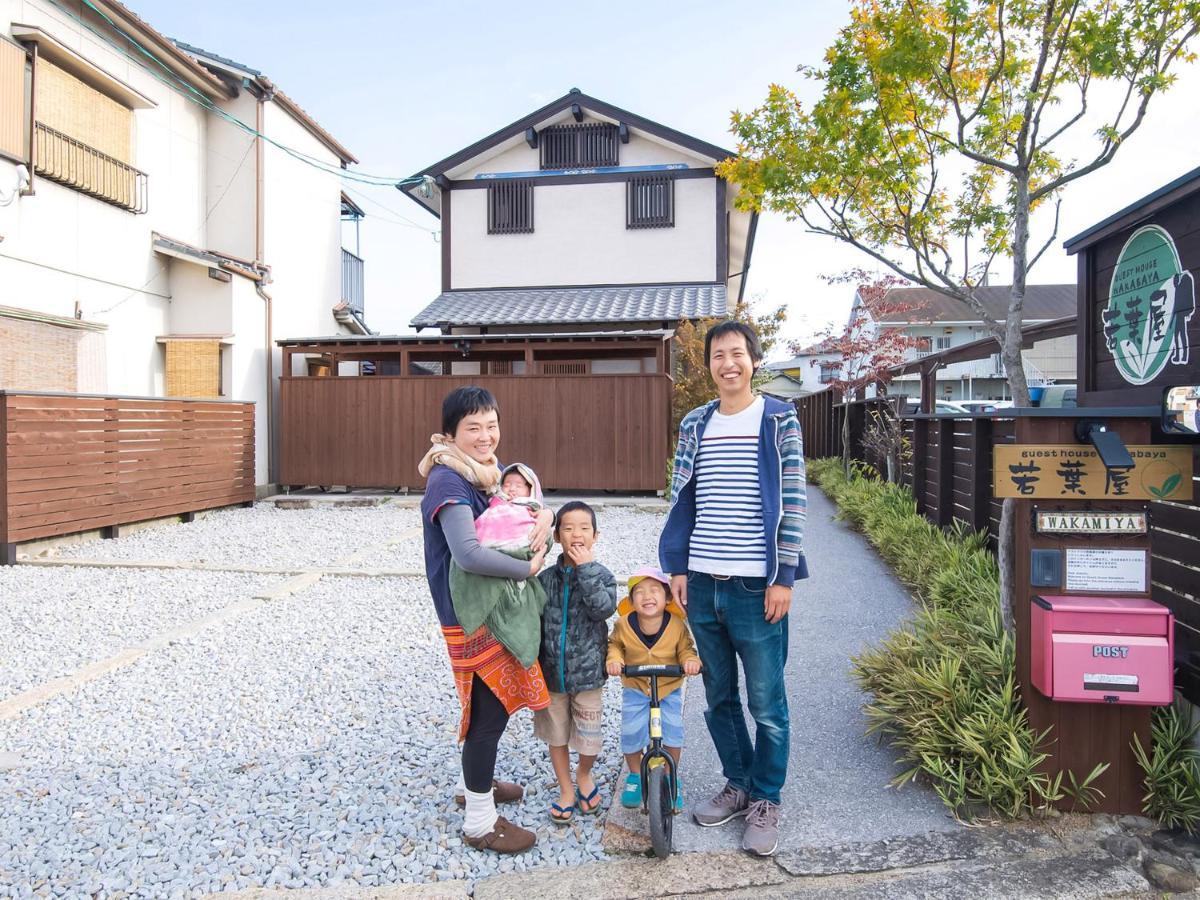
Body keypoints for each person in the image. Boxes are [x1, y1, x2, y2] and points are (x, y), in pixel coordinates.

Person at [658, 320, 808, 858]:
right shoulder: (695, 423)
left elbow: (793, 500)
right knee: (718, 697)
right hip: (702, 582)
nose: (728, 363)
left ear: (753, 361)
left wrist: (783, 576)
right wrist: (676, 565)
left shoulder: (778, 419)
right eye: (718, 355)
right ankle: (738, 783)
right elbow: (681, 499)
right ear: (709, 364)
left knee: (766, 702)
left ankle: (767, 797)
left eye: (737, 354)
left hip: (756, 585)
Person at [419, 386, 555, 854]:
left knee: (486, 708)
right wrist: (529, 568)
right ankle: (479, 821)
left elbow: (516, 513)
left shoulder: (483, 476)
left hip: (488, 608)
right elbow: (469, 553)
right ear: (451, 433)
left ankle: (477, 782)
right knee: (487, 713)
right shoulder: (448, 482)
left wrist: (546, 517)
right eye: (473, 427)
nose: (485, 436)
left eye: (491, 424)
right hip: (471, 615)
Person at [533, 501, 617, 823]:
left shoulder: (603, 576)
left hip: (589, 674)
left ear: (595, 536)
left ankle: (584, 774)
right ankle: (566, 788)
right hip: (551, 673)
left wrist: (586, 570)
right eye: (568, 528)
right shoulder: (544, 579)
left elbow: (603, 609)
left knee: (589, 736)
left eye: (584, 528)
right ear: (556, 536)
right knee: (556, 734)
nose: (576, 534)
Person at [605, 566, 701, 811]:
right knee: (631, 732)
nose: (647, 597)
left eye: (654, 590)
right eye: (639, 592)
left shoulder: (677, 625)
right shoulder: (624, 625)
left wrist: (689, 660)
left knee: (672, 732)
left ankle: (670, 776)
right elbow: (614, 645)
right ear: (631, 600)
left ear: (668, 597)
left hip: (668, 688)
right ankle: (636, 774)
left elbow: (685, 648)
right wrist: (614, 660)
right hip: (636, 687)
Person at [447, 462, 547, 668]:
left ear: (531, 490)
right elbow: (471, 548)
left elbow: (537, 522)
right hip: (486, 549)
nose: (511, 488)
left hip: (517, 545)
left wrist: (547, 514)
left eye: (519, 485)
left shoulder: (528, 505)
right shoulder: (485, 493)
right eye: (507, 483)